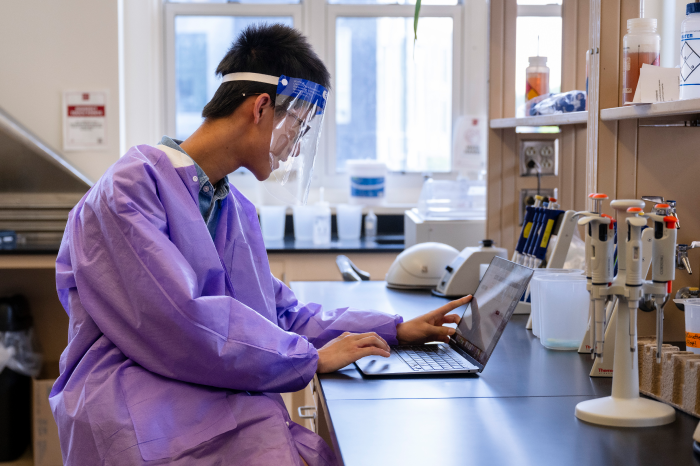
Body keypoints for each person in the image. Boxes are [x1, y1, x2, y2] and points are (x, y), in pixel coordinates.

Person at [50, 24, 469, 466]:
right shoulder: (128, 191)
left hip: (198, 388)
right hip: (135, 403)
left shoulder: (230, 207)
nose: (295, 148)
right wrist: (308, 359)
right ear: (262, 107)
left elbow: (279, 314)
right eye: (299, 127)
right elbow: (182, 322)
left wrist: (391, 329)